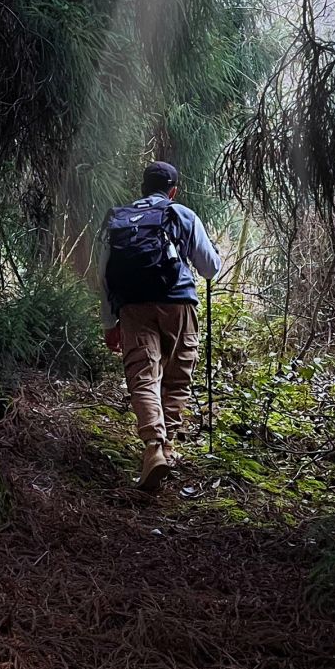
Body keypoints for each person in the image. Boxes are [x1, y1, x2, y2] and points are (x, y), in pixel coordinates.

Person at [99, 161, 221, 491]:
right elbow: (210, 268)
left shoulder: (119, 218)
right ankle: (168, 447)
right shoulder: (182, 214)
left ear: (142, 187)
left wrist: (111, 323)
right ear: (173, 191)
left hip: (133, 305)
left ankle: (153, 447)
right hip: (178, 303)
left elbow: (105, 275)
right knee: (177, 375)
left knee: (143, 374)